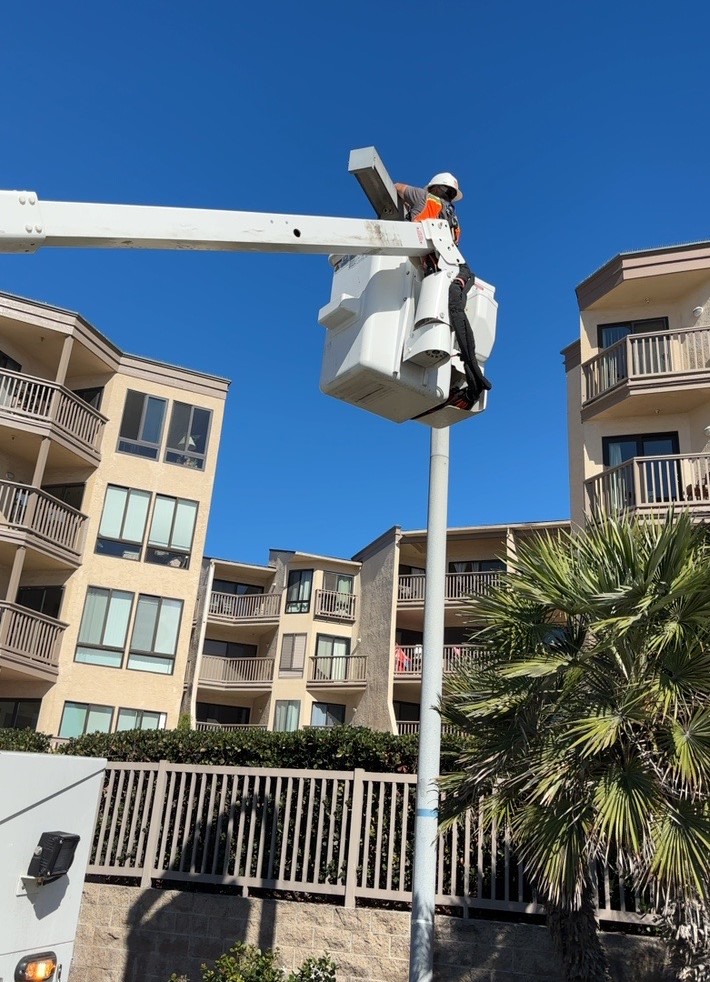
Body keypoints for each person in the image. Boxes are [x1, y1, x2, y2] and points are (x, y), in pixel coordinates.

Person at [394, 173, 492, 409]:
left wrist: (405, 210)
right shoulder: (453, 219)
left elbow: (396, 186)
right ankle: (470, 378)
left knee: (455, 309)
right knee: (454, 313)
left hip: (452, 270)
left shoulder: (423, 196)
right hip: (454, 270)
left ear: (434, 187)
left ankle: (474, 381)